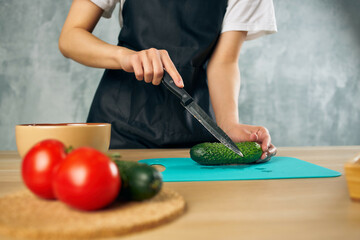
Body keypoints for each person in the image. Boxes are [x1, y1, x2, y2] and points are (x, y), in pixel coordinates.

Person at [59, 0, 277, 160]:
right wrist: (126, 57)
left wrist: (228, 124)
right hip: (119, 124)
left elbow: (224, 62)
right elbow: (70, 37)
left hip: (194, 131)